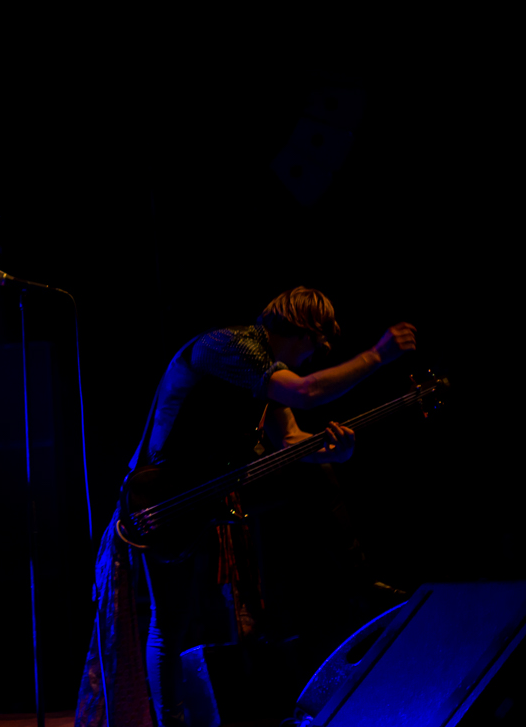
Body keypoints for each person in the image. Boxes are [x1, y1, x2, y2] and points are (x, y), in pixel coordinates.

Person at [75, 287, 417, 727]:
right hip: (162, 495)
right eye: (314, 346)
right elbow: (308, 391)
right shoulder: (228, 346)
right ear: (303, 331)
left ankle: (357, 581)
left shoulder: (266, 376)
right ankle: (172, 721)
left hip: (214, 490)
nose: (310, 359)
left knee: (316, 475)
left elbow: (291, 439)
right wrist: (377, 356)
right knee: (170, 622)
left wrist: (336, 452)